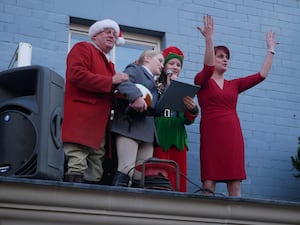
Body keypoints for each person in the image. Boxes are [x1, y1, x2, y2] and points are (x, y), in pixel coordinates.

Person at [194, 15, 278, 196]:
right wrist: (209, 39)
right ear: (213, 58)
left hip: (232, 134)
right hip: (211, 134)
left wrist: (271, 50)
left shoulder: (235, 85)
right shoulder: (202, 81)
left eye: (227, 57)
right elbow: (207, 68)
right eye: (220, 56)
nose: (225, 60)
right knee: (208, 184)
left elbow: (261, 75)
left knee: (235, 183)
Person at [62, 19, 129, 184]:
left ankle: (88, 207)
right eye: (107, 32)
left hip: (100, 124)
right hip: (82, 118)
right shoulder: (83, 48)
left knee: (96, 168)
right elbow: (76, 75)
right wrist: (111, 81)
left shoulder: (109, 64)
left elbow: (108, 88)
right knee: (76, 162)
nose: (112, 36)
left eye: (114, 34)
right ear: (95, 35)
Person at [110, 50, 164, 187]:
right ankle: (115, 205)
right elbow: (123, 82)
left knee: (141, 176)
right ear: (147, 58)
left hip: (147, 132)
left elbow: (159, 109)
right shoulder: (135, 69)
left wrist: (169, 88)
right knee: (126, 169)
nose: (162, 66)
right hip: (130, 126)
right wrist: (136, 97)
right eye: (160, 61)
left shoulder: (158, 83)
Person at [153, 46, 199, 192]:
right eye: (171, 63)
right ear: (164, 65)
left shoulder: (181, 89)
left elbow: (187, 120)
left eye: (178, 65)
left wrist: (192, 109)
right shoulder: (155, 85)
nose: (175, 67)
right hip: (159, 130)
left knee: (177, 175)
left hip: (177, 133)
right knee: (158, 174)